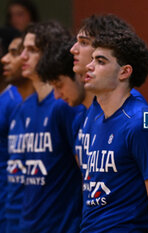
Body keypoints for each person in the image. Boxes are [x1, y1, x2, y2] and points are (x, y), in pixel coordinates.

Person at [80, 27, 148, 232]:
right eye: (91, 59)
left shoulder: (144, 120)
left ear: (124, 72)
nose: (89, 66)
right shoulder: (95, 116)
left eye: (100, 61)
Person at [17, 21, 81, 233]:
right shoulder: (26, 106)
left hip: (61, 225)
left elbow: (85, 172)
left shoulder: (66, 105)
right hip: (28, 224)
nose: (22, 57)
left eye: (32, 50)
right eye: (22, 49)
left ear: (49, 53)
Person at [1, 34, 34, 232]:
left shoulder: (59, 107)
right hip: (11, 212)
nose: (5, 59)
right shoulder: (21, 104)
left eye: (14, 53)